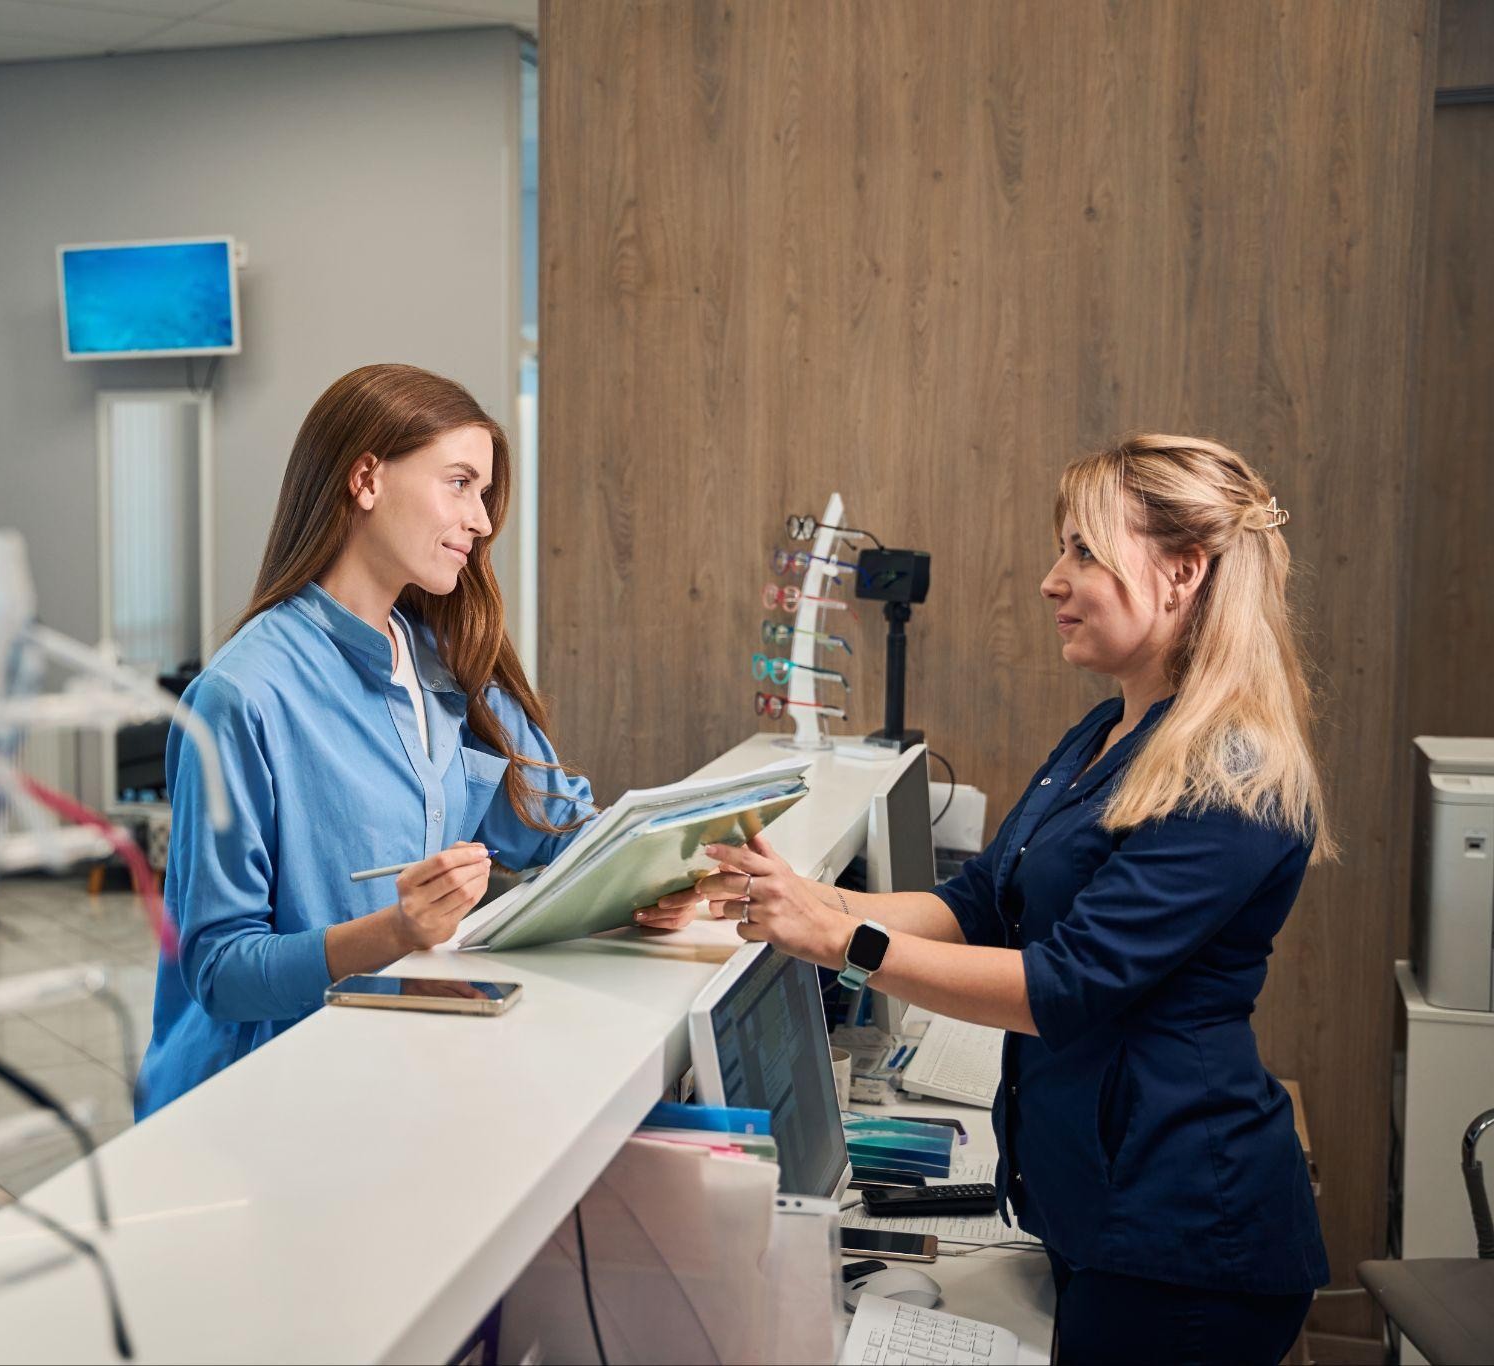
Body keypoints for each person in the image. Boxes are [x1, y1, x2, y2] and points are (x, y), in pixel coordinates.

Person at [641, 435, 1331, 1363]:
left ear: (1181, 574)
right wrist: (807, 903)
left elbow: (1064, 987)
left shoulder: (1229, 774)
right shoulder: (1112, 728)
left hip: (1184, 1238)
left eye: (1084, 551)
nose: (1052, 580)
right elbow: (981, 903)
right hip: (1105, 1206)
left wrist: (842, 943)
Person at [135, 364, 594, 1118]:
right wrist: (395, 931)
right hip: (253, 1107)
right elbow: (219, 972)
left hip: (389, 1074)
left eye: (483, 494)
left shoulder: (446, 661)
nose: (481, 521)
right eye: (460, 484)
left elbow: (556, 829)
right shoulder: (241, 696)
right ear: (367, 479)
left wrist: (666, 874)